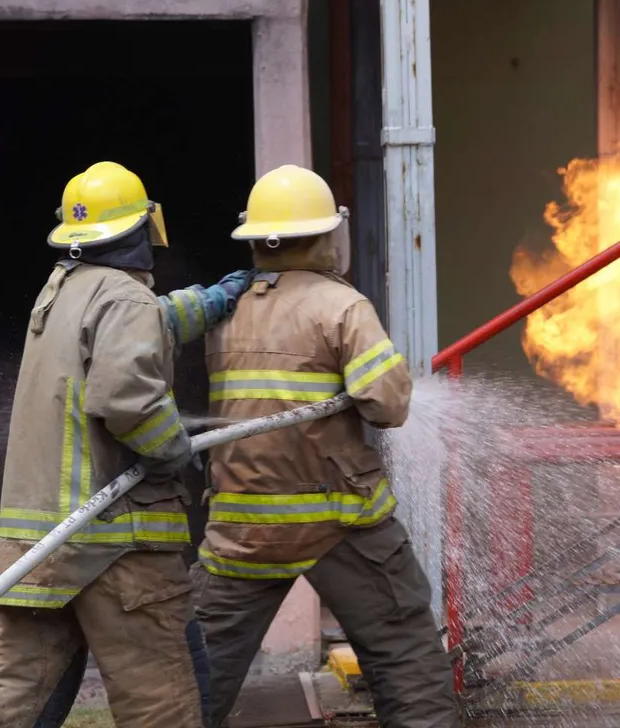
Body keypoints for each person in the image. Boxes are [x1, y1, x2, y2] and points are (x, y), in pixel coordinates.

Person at [0, 161, 253, 728]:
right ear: (141, 229)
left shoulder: (61, 293)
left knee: (19, 709)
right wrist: (177, 447)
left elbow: (133, 327)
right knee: (171, 704)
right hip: (118, 544)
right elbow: (126, 398)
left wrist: (208, 301)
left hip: (42, 547)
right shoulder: (125, 298)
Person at [192, 165, 458, 728]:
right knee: (405, 654)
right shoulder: (341, 307)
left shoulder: (225, 311)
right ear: (324, 234)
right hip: (341, 520)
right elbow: (389, 406)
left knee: (193, 680)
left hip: (241, 525)